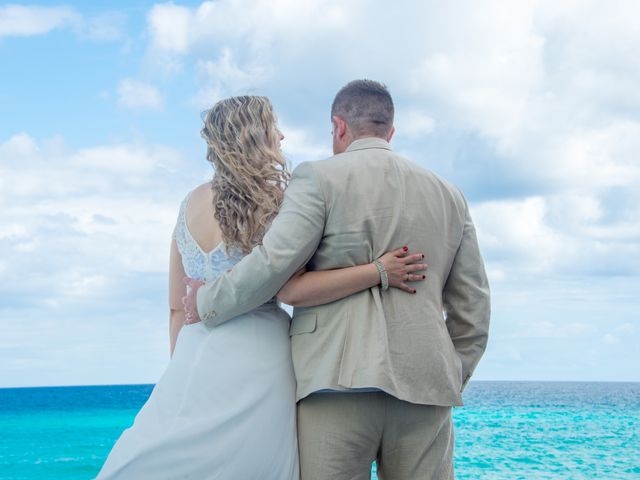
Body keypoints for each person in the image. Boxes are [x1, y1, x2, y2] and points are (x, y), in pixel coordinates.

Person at [96, 95, 426, 479]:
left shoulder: (187, 205)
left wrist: (183, 372)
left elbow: (176, 307)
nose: (282, 136)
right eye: (274, 129)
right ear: (257, 136)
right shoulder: (279, 202)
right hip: (262, 358)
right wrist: (378, 270)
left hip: (194, 352)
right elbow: (297, 285)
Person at [184, 80, 491, 480]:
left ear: (339, 126)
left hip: (334, 384)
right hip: (426, 390)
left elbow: (275, 262)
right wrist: (449, 371)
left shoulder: (317, 178)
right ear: (390, 132)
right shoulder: (449, 195)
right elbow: (474, 308)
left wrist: (209, 300)